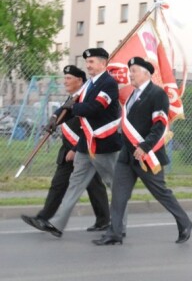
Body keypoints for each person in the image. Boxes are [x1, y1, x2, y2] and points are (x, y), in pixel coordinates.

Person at [93, 57, 192, 245]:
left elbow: (160, 124)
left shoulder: (157, 94)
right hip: (127, 156)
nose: (130, 74)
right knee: (119, 193)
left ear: (146, 73)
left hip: (147, 155)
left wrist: (145, 146)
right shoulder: (132, 94)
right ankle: (114, 233)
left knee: (161, 193)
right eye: (130, 71)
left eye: (134, 71)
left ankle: (185, 222)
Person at [28, 48, 122, 238]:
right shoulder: (88, 86)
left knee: (115, 186)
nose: (88, 65)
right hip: (86, 145)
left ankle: (118, 227)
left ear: (103, 63)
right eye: (87, 62)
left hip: (104, 145)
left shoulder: (109, 83)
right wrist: (56, 118)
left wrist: (74, 107)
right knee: (75, 184)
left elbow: (95, 108)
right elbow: (69, 109)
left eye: (92, 62)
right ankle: (57, 224)